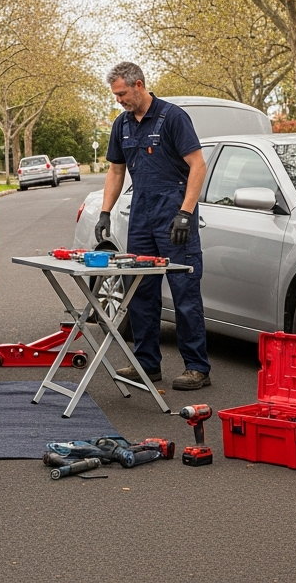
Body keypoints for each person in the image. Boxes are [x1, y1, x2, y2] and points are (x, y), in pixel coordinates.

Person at [94, 62, 211, 390]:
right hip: (142, 217)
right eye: (115, 95)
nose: (119, 100)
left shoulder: (173, 118)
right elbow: (116, 171)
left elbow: (198, 166)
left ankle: (197, 367)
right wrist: (105, 212)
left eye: (122, 94)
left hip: (174, 218)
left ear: (139, 85)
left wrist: (186, 213)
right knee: (140, 291)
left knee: (184, 292)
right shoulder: (122, 125)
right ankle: (146, 363)